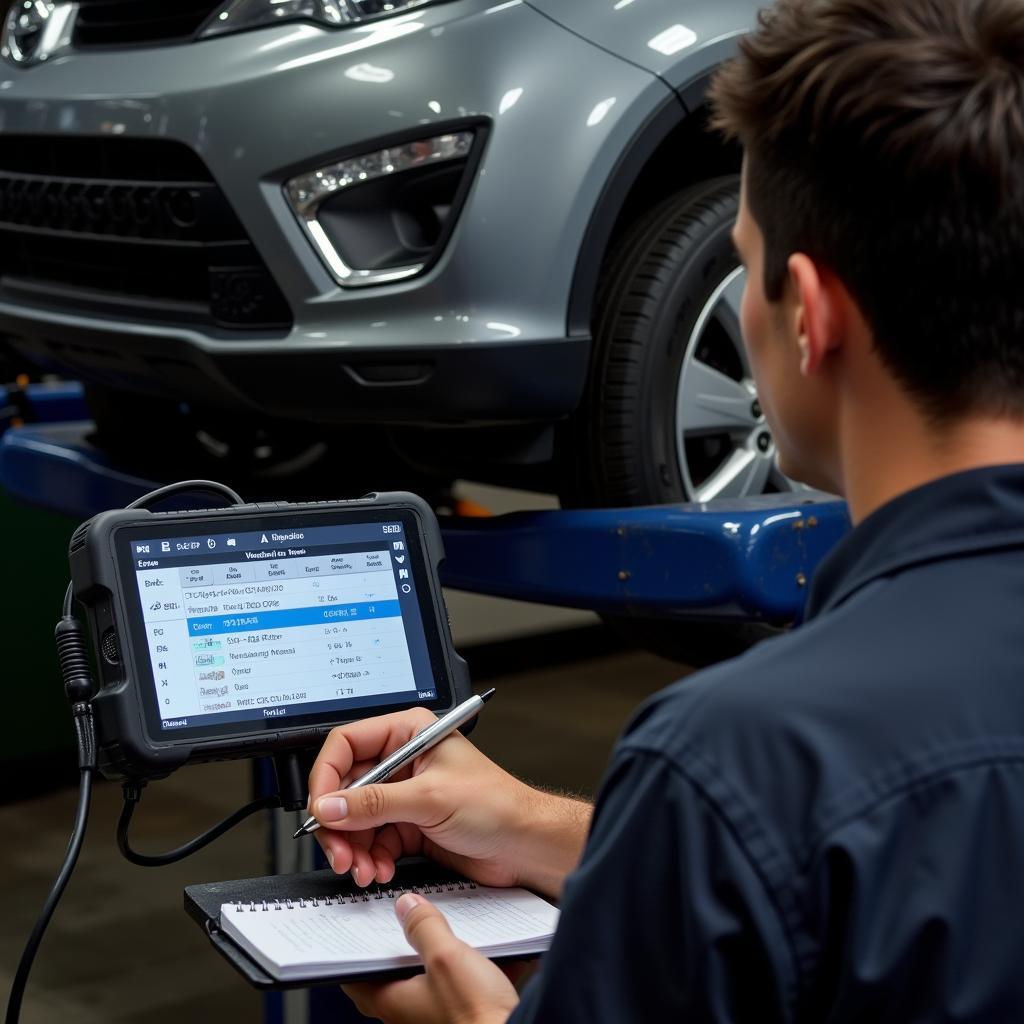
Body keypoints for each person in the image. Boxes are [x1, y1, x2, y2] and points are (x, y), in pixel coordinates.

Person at [307, 0, 1024, 1019]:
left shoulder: (740, 754)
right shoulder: (760, 779)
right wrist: (537, 825)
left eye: (742, 258)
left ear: (809, 315)